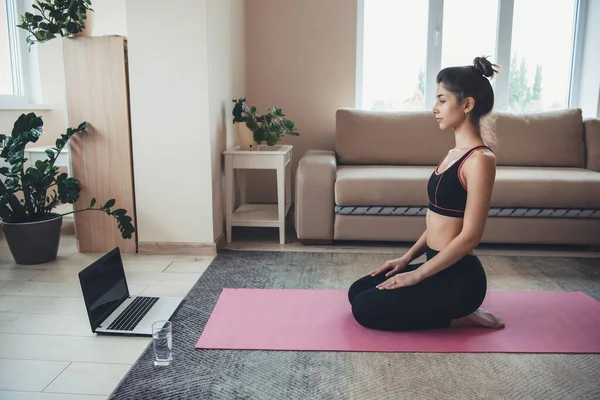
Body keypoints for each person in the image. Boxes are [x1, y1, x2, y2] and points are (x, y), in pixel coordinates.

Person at [348, 56, 505, 331]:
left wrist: (417, 276)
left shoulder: (480, 160)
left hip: (459, 280)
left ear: (467, 104)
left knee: (364, 309)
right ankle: (436, 300)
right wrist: (406, 259)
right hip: (434, 266)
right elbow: (437, 220)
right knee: (357, 292)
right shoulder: (452, 154)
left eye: (442, 100)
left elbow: (470, 237)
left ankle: (461, 314)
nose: (435, 108)